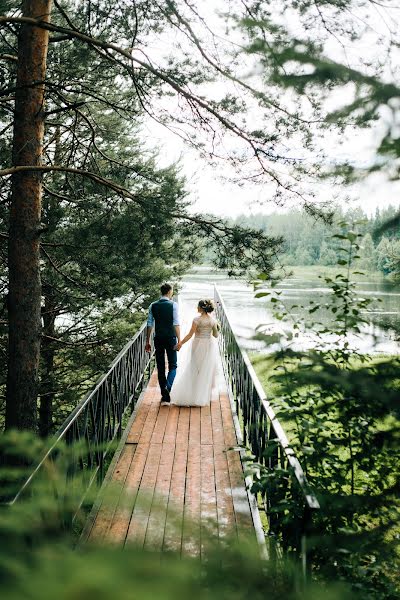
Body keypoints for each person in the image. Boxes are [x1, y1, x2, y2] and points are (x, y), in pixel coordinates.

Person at [170, 299, 219, 407]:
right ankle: (202, 396)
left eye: (198, 306)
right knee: (205, 369)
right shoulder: (213, 321)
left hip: (197, 345)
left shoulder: (197, 320)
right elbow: (216, 335)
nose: (196, 308)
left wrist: (180, 343)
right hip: (209, 345)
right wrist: (215, 329)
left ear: (201, 308)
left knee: (195, 367)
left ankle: (192, 394)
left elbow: (190, 335)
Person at [145, 283, 180, 405]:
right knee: (173, 365)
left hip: (158, 338)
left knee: (160, 366)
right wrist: (179, 340)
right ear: (170, 291)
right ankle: (168, 388)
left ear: (161, 292)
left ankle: (164, 394)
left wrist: (147, 341)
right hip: (170, 337)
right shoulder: (174, 305)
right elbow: (176, 323)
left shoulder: (152, 305)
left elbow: (150, 324)